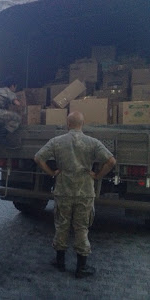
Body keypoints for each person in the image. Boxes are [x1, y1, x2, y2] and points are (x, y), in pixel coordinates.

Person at [34, 111, 116, 279]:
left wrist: (52, 172)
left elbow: (38, 158)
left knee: (62, 225)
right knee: (81, 228)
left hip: (63, 190)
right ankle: (81, 267)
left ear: (68, 124)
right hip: (84, 191)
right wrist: (98, 175)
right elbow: (111, 161)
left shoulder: (57, 141)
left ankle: (60, 262)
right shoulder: (92, 142)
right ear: (82, 124)